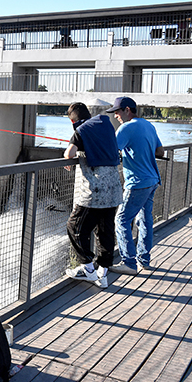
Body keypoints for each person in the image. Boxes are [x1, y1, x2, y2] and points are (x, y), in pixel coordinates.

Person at [63, 102, 123, 289]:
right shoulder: (106, 127)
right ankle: (102, 275)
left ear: (73, 120)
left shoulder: (80, 130)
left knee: (74, 227)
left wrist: (70, 155)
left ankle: (88, 268)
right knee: (105, 231)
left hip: (94, 192)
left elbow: (69, 153)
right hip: (113, 190)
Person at [107, 97, 164, 275]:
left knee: (121, 220)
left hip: (137, 183)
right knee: (144, 220)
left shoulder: (126, 128)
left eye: (117, 111)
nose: (115, 115)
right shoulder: (148, 125)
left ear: (128, 110)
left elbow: (111, 150)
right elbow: (160, 151)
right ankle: (144, 260)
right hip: (152, 179)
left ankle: (129, 263)